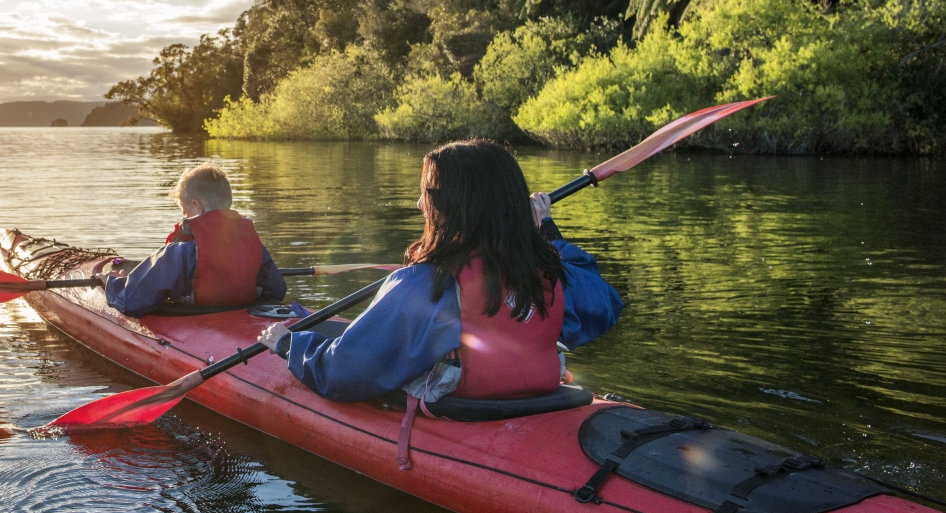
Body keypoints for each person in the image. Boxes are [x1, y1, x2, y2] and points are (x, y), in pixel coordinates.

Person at [263, 139, 622, 424]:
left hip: (464, 405)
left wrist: (289, 346)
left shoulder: (424, 286)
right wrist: (545, 231)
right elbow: (603, 305)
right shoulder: (550, 271)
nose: (420, 204)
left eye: (428, 193)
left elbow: (345, 371)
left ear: (451, 206)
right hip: (540, 398)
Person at [103, 164, 287, 316]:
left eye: (184, 212)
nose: (183, 218)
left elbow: (131, 302)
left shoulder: (180, 253)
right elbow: (277, 291)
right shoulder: (254, 245)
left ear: (197, 206)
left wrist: (111, 283)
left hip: (198, 322)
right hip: (242, 324)